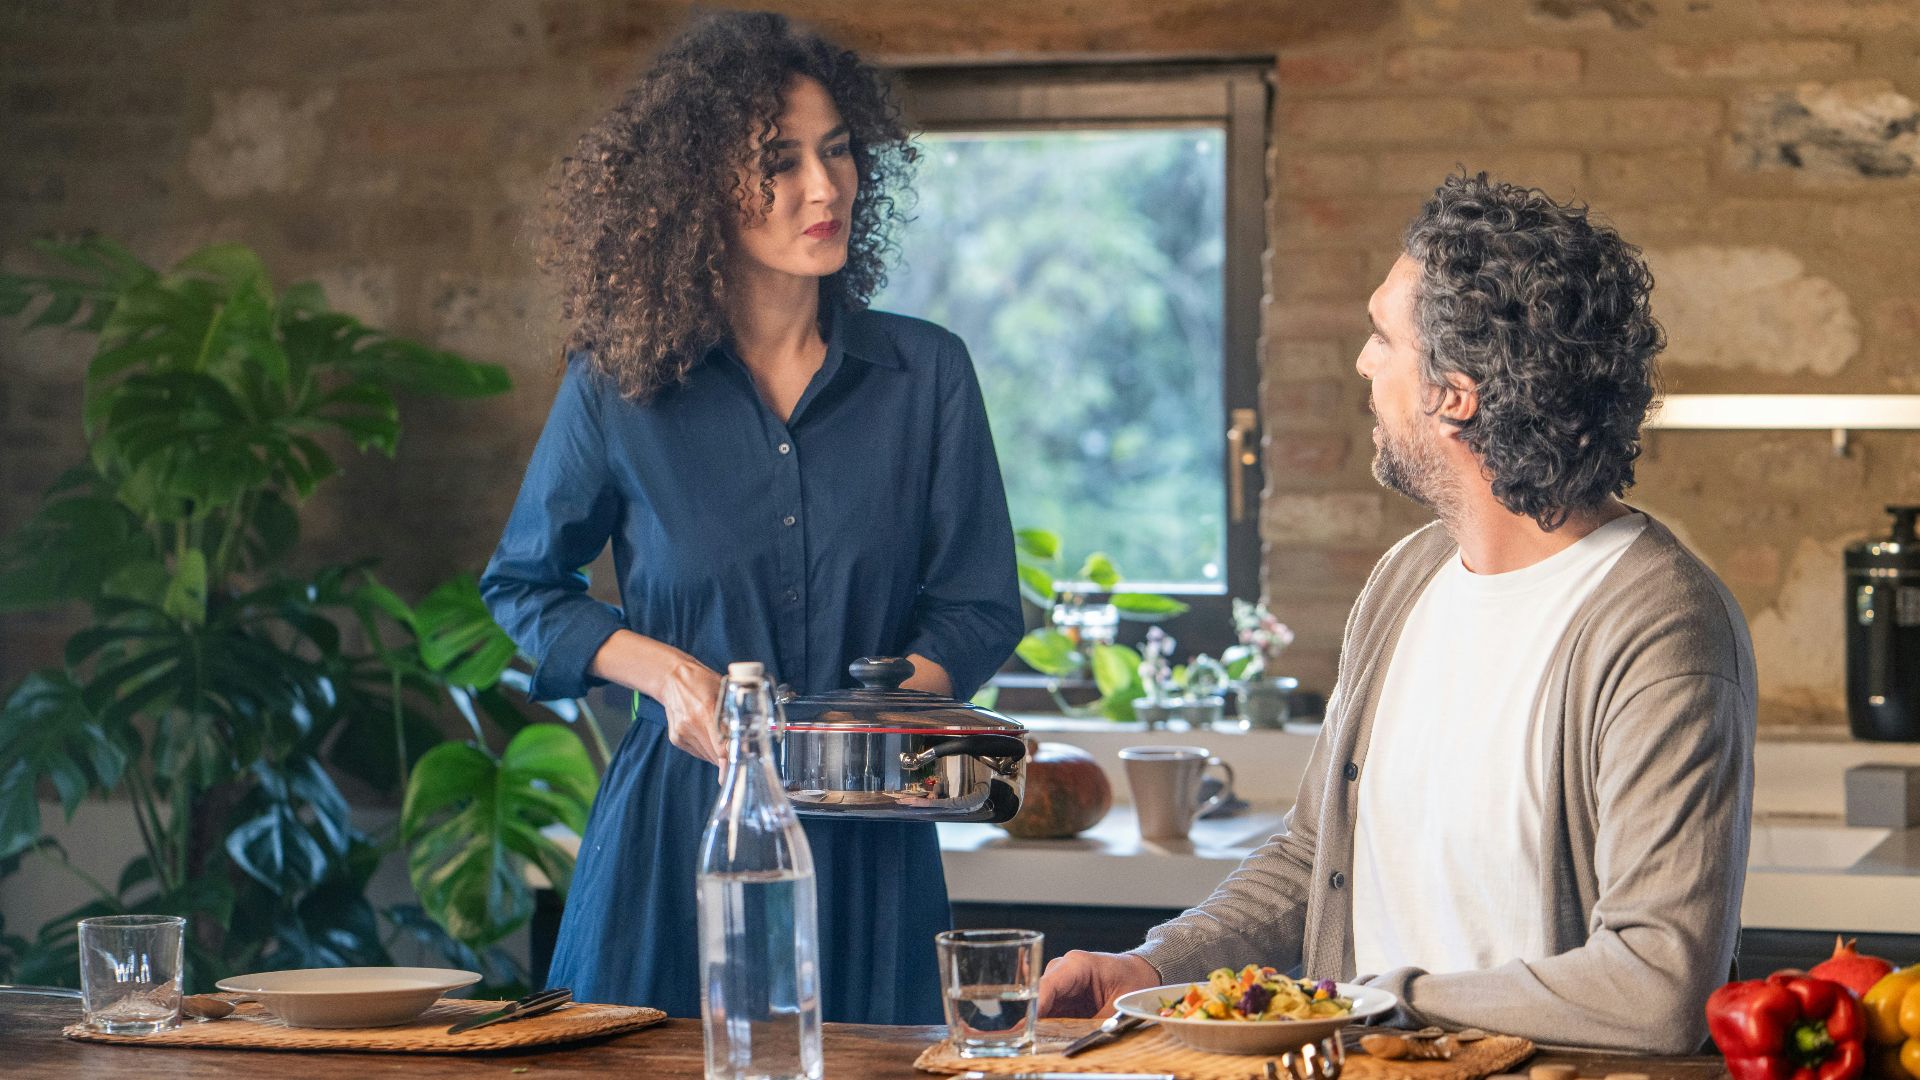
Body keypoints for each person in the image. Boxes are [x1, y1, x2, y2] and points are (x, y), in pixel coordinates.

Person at [1037, 173, 1756, 1053]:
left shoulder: (1659, 626)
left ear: (1455, 392)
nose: (1363, 362)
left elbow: (1657, 985)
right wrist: (1154, 969)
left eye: (1383, 337)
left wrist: (1382, 1001)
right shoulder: (1404, 580)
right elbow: (1314, 858)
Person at [480, 10, 1022, 1025]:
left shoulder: (928, 373)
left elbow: (979, 608)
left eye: (838, 151)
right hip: (674, 833)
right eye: (780, 161)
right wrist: (663, 673)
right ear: (697, 192)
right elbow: (522, 588)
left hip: (870, 836)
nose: (825, 188)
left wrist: (874, 716)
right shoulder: (619, 387)